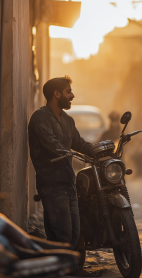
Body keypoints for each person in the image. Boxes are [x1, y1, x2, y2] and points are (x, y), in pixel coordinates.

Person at [28, 76, 101, 249]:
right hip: (51, 183)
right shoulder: (40, 117)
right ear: (57, 94)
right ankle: (57, 269)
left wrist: (97, 151)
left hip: (69, 181)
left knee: (74, 233)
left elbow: (78, 142)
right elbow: (51, 143)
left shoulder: (67, 120)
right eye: (69, 92)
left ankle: (66, 266)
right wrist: (66, 152)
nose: (72, 95)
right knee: (63, 233)